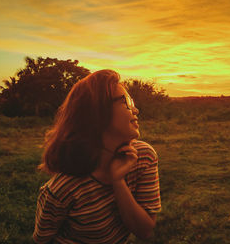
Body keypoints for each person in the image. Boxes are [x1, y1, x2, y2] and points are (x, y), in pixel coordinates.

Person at [33, 69, 161, 244]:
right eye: (127, 102)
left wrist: (118, 181)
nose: (136, 110)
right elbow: (42, 240)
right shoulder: (62, 190)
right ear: (97, 112)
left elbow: (145, 230)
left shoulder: (143, 157)